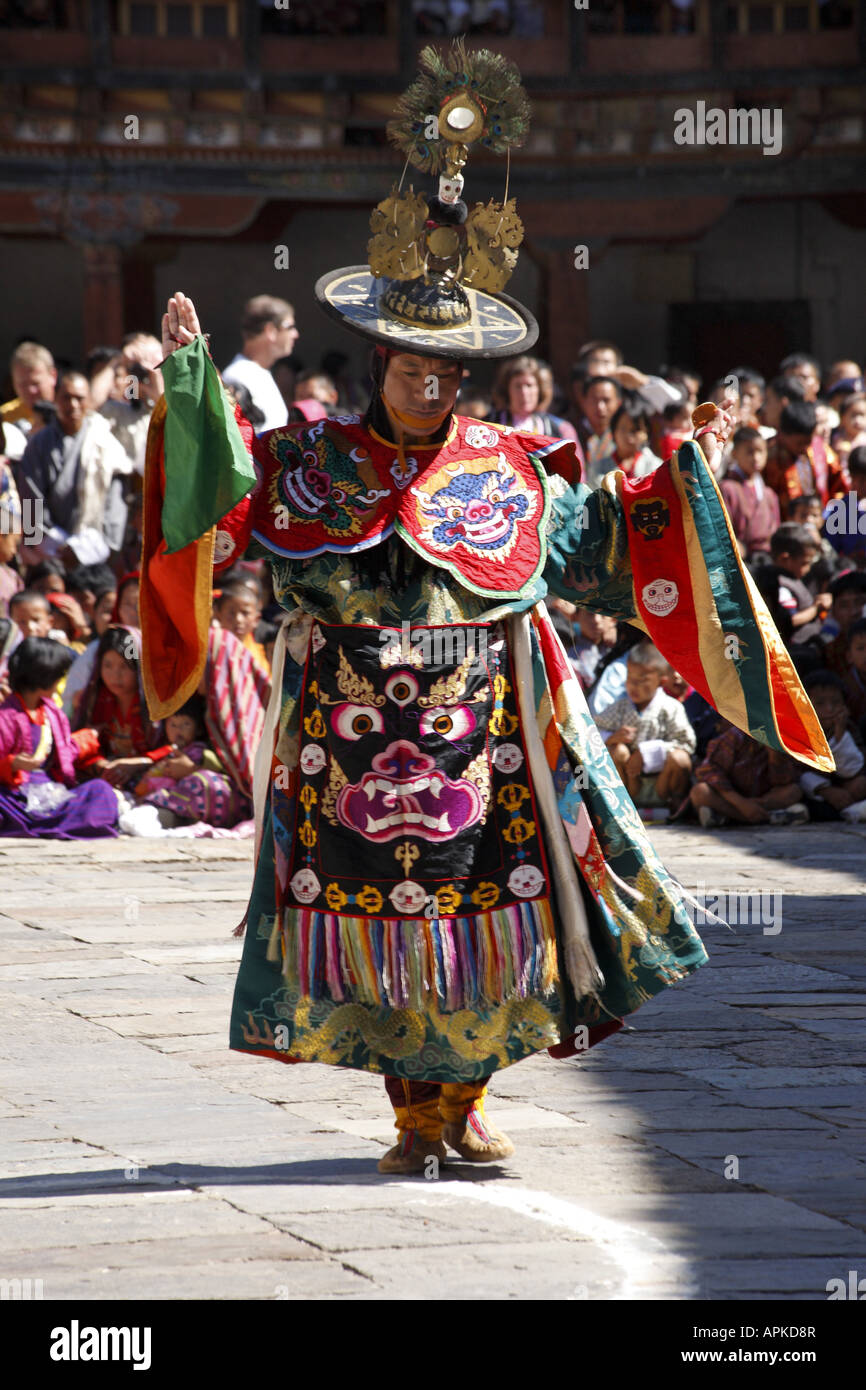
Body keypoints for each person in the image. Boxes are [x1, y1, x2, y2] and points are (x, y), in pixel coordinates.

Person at [141, 44, 830, 1176]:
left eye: (450, 367)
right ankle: (412, 1113)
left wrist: (672, 480)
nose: (434, 381)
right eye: (414, 362)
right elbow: (210, 502)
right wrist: (186, 389)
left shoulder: (509, 464)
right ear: (378, 354)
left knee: (495, 914)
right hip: (346, 738)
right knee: (375, 926)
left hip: (487, 730)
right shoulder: (309, 457)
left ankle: (458, 1103)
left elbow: (591, 545)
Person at [0, 636, 118, 839]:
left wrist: (88, 739)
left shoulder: (53, 712)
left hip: (51, 790)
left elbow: (63, 753)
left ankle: (41, 825)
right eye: (59, 675)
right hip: (15, 795)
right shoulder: (6, 716)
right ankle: (63, 824)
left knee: (101, 791)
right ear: (45, 676)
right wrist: (11, 764)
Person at [15, 369, 133, 569]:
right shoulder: (38, 444)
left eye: (79, 398)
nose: (73, 405)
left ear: (88, 400)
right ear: (55, 399)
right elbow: (30, 497)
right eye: (66, 398)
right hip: (49, 549)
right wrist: (51, 541)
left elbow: (116, 503)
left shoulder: (104, 442)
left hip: (95, 547)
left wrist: (95, 545)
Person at [593, 641, 695, 815]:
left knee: (681, 759)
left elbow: (687, 743)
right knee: (617, 751)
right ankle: (619, 805)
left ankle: (676, 807)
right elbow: (592, 733)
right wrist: (612, 737)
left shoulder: (671, 707)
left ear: (661, 682)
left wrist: (646, 753)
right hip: (631, 784)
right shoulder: (620, 706)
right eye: (630, 679)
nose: (634, 686)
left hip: (662, 784)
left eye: (642, 681)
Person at [689, 726, 805, 827]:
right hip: (732, 797)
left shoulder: (781, 739)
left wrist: (774, 755)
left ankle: (728, 818)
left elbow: (783, 781)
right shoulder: (735, 736)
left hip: (763, 798)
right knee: (700, 792)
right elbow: (709, 771)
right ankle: (769, 817)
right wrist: (741, 803)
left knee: (793, 791)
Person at [222, 296, 299, 432]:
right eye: (290, 327)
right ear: (270, 330)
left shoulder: (259, 372)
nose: (295, 334)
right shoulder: (238, 376)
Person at [798, 671, 866, 822]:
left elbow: (853, 770)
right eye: (820, 703)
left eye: (836, 703)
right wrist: (824, 790)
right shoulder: (798, 730)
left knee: (860, 784)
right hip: (815, 791)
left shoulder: (849, 728)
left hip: (842, 785)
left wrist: (840, 734)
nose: (829, 709)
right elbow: (796, 772)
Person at [487, 355, 579, 446]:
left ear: (539, 389)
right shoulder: (489, 426)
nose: (524, 392)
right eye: (518, 386)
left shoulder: (558, 429)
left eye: (529, 385)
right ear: (507, 389)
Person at [720, 426, 780, 564]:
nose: (756, 458)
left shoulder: (769, 494)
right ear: (734, 454)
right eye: (750, 452)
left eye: (760, 451)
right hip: (741, 560)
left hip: (767, 559)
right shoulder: (727, 488)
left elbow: (775, 530)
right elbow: (723, 531)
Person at [769, 523, 832, 650]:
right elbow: (791, 620)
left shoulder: (792, 579)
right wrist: (816, 608)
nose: (808, 569)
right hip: (798, 646)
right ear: (784, 559)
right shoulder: (780, 585)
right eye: (804, 563)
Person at [588, 400, 660, 487]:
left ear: (646, 433)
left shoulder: (655, 467)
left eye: (635, 430)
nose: (629, 436)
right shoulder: (598, 469)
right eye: (623, 429)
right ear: (614, 431)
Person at [212, 571, 270, 674]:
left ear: (256, 619)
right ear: (218, 612)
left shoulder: (258, 654)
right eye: (231, 612)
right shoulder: (211, 645)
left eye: (245, 613)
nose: (238, 619)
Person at [1, 341, 57, 437]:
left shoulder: (69, 410)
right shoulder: (4, 417)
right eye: (23, 384)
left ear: (53, 376)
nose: (30, 390)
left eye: (35, 383)